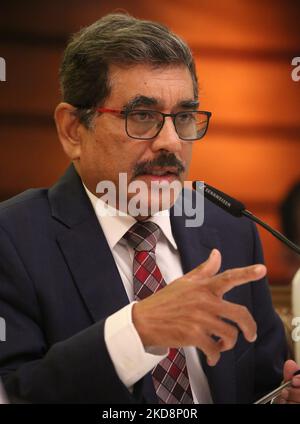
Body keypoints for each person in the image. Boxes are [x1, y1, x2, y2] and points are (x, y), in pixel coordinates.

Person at [0, 13, 298, 404]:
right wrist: (136, 331)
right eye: (143, 116)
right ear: (73, 129)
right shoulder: (13, 239)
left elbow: (263, 381)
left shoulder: (230, 229)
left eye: (185, 117)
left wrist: (283, 396)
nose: (171, 143)